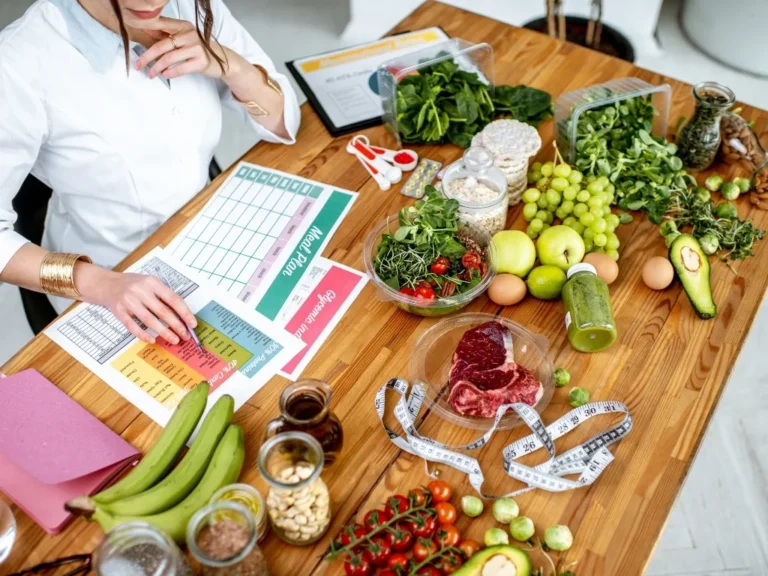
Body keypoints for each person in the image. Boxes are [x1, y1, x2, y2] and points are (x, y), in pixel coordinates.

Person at [0, 0, 300, 344]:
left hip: (209, 239)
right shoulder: (18, 62)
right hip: (110, 277)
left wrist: (229, 64)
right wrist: (102, 284)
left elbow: (282, 122)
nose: (153, 2)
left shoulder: (192, 6)